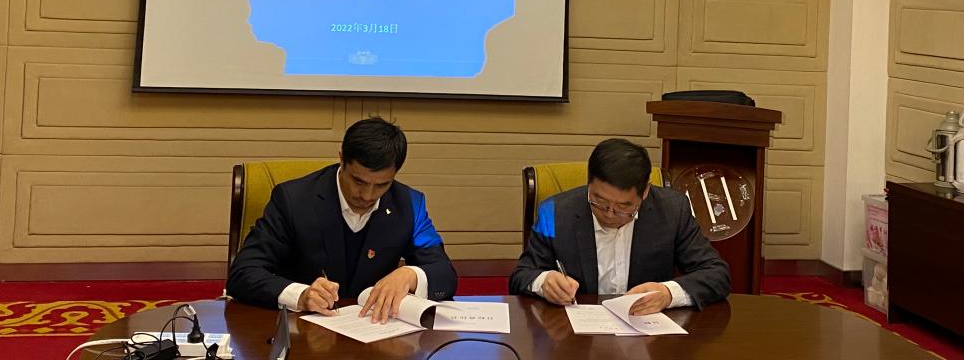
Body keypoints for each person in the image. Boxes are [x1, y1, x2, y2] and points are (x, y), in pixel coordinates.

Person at [227, 116, 457, 321]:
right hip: (303, 329)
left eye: (382, 185)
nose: (367, 195)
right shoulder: (293, 200)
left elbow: (444, 273)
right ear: (341, 160)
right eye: (358, 181)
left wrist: (411, 275)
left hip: (374, 329)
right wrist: (301, 295)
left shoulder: (409, 204)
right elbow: (243, 273)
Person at [509, 138, 730, 312]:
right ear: (589, 183)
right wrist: (544, 282)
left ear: (645, 192)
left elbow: (716, 274)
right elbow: (521, 276)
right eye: (599, 201)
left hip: (646, 334)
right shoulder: (556, 212)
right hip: (576, 334)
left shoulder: (672, 210)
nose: (609, 214)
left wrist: (668, 293)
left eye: (624, 206)